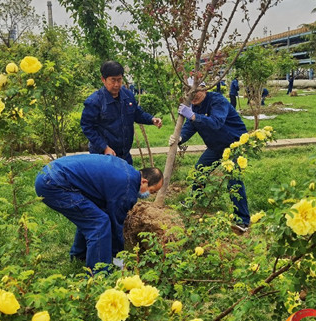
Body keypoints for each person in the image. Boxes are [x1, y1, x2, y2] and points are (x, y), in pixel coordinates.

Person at [34, 154, 163, 272]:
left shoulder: (126, 170)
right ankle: (99, 274)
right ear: (144, 182)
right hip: (54, 184)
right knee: (99, 223)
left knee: (93, 215)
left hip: (50, 173)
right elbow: (116, 226)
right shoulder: (126, 189)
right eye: (151, 191)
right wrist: (119, 260)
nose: (149, 196)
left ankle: (80, 257)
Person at [169, 86, 251, 233]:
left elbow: (216, 122)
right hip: (216, 146)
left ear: (205, 89)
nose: (193, 96)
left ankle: (242, 220)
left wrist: (193, 116)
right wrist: (179, 138)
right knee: (199, 171)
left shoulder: (218, 101)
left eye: (196, 92)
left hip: (234, 144)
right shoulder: (194, 106)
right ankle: (194, 202)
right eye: (190, 93)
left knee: (234, 180)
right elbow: (190, 126)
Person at [81, 61, 162, 165]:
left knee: (128, 180)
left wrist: (151, 119)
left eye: (119, 80)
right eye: (113, 80)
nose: (116, 84)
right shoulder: (94, 102)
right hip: (103, 156)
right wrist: (104, 147)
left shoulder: (128, 96)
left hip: (124, 155)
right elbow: (87, 127)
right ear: (103, 80)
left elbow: (137, 113)